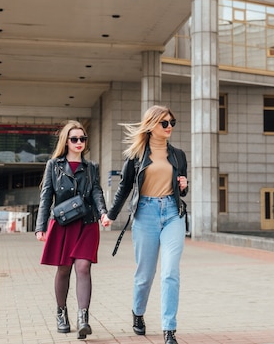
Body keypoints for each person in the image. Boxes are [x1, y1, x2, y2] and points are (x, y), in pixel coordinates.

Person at [101, 105, 189, 344]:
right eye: (164, 123)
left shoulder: (179, 155)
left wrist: (183, 185)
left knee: (170, 272)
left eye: (172, 122)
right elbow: (125, 188)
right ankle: (138, 312)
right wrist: (111, 214)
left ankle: (169, 329)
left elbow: (183, 189)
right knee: (145, 275)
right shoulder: (136, 155)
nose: (169, 127)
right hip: (145, 215)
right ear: (151, 126)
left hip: (172, 213)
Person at [35, 120, 107, 340]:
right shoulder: (54, 165)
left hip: (87, 222)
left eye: (82, 139)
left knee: (83, 267)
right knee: (64, 269)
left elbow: (96, 192)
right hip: (64, 223)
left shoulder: (91, 167)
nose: (79, 142)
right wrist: (40, 226)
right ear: (66, 141)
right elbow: (46, 196)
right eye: (74, 139)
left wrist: (104, 213)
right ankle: (61, 312)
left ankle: (83, 318)